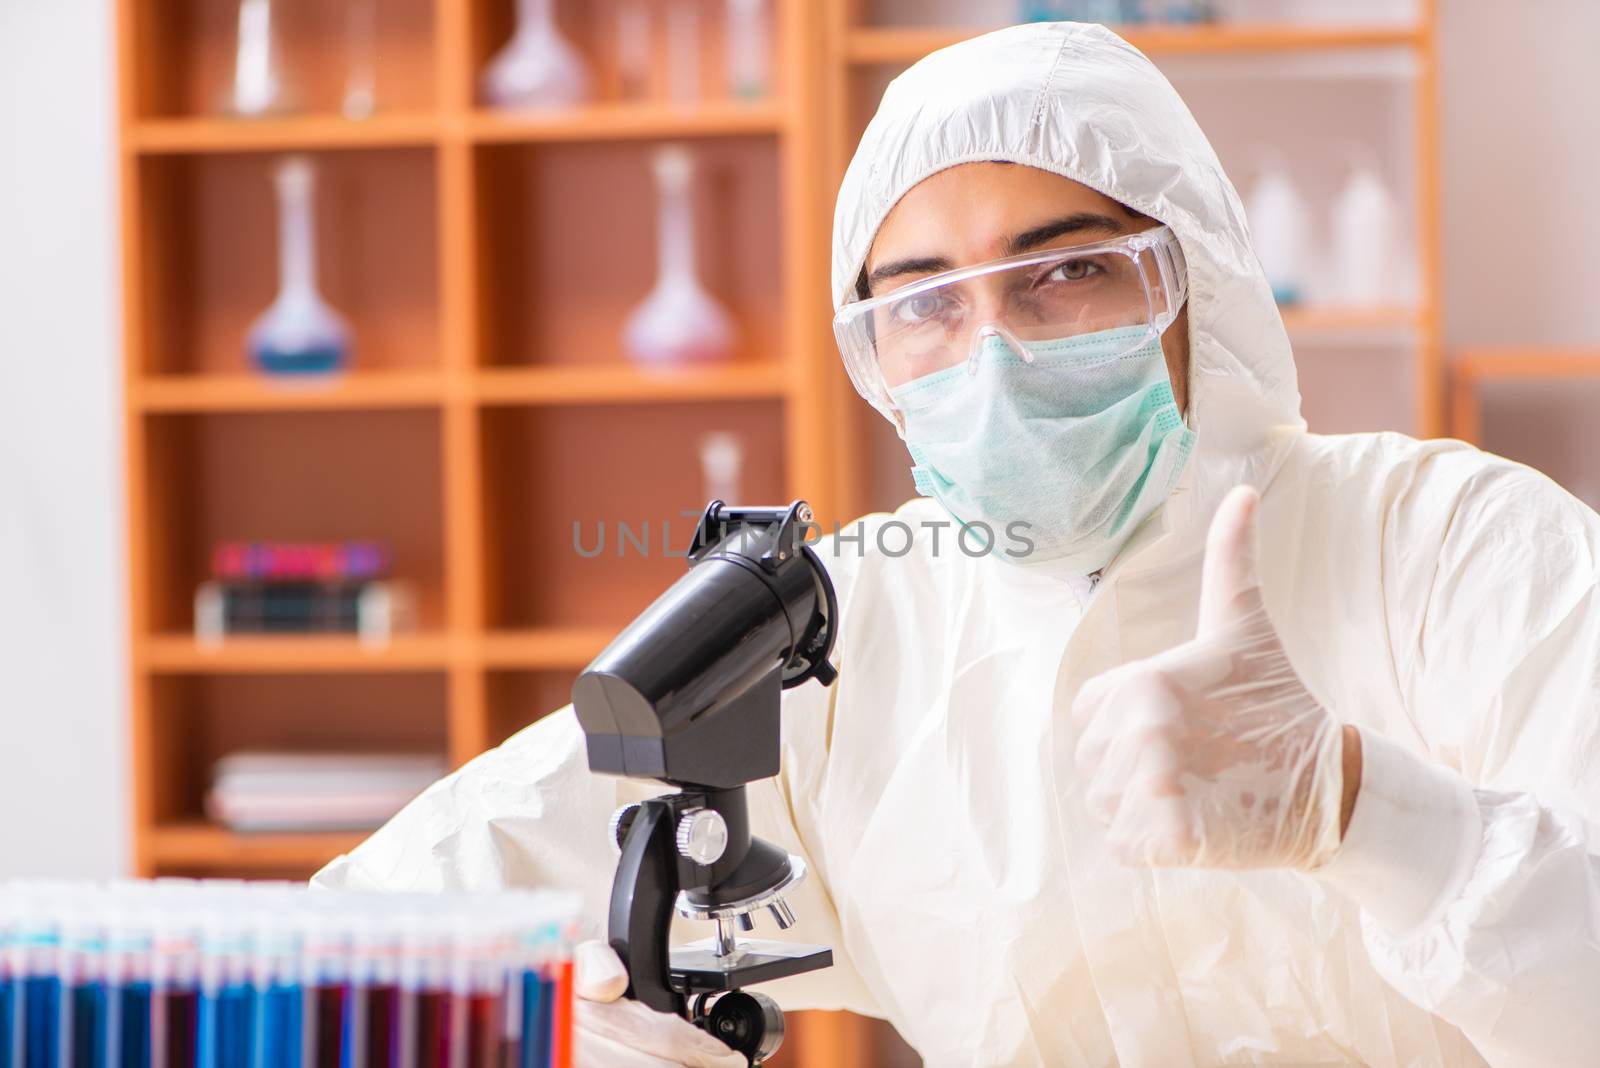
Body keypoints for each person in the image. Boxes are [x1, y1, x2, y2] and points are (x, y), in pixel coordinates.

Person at [315, 21, 1600, 1068]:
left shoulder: (1455, 550)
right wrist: (568, 1023)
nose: (991, 354)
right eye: (922, 305)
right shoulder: (847, 622)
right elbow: (396, 918)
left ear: (1191, 278)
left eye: (1064, 273)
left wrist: (1371, 813)